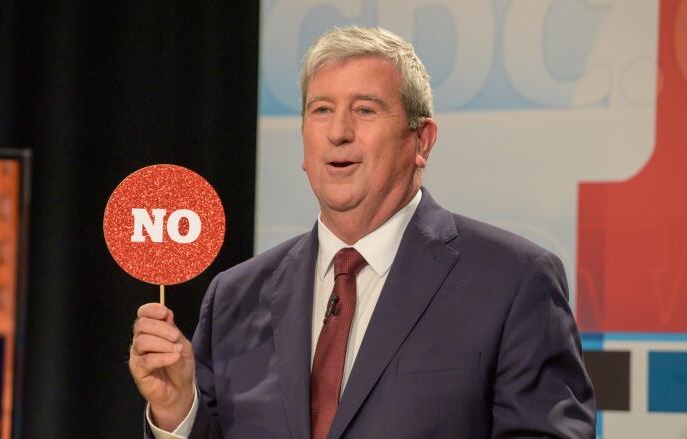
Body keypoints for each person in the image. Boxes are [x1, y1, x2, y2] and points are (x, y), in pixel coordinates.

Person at [129, 26, 596, 438]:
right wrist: (177, 414)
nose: (338, 132)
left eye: (365, 110)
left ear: (421, 140)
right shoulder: (234, 296)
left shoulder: (513, 280)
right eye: (321, 110)